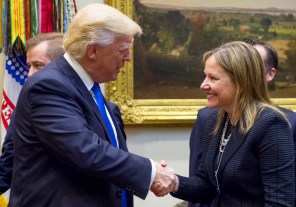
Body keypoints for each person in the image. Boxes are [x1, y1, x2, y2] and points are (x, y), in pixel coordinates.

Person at [8, 4, 176, 207]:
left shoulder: (90, 90)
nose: (129, 58)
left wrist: (152, 173)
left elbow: (107, 153)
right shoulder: (49, 85)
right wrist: (151, 172)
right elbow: (84, 149)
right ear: (93, 50)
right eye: (123, 50)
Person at [152, 41, 295, 206]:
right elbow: (207, 187)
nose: (203, 85)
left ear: (241, 81)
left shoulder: (271, 124)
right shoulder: (215, 120)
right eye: (205, 76)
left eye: (213, 78)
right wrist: (173, 182)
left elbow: (279, 202)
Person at [0, 32, 65, 195]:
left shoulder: (101, 107)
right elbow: (9, 166)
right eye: (29, 65)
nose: (29, 74)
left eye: (37, 65)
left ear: (63, 65)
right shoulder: (26, 108)